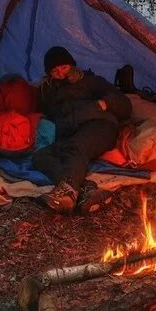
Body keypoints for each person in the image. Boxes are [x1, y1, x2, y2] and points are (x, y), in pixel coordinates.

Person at [33, 46, 132, 213]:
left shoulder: (92, 81)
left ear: (72, 65)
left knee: (76, 148)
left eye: (64, 67)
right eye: (55, 71)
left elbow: (125, 105)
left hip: (99, 126)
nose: (61, 73)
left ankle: (66, 194)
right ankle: (86, 189)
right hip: (69, 133)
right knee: (40, 156)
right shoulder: (49, 91)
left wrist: (103, 104)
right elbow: (47, 114)